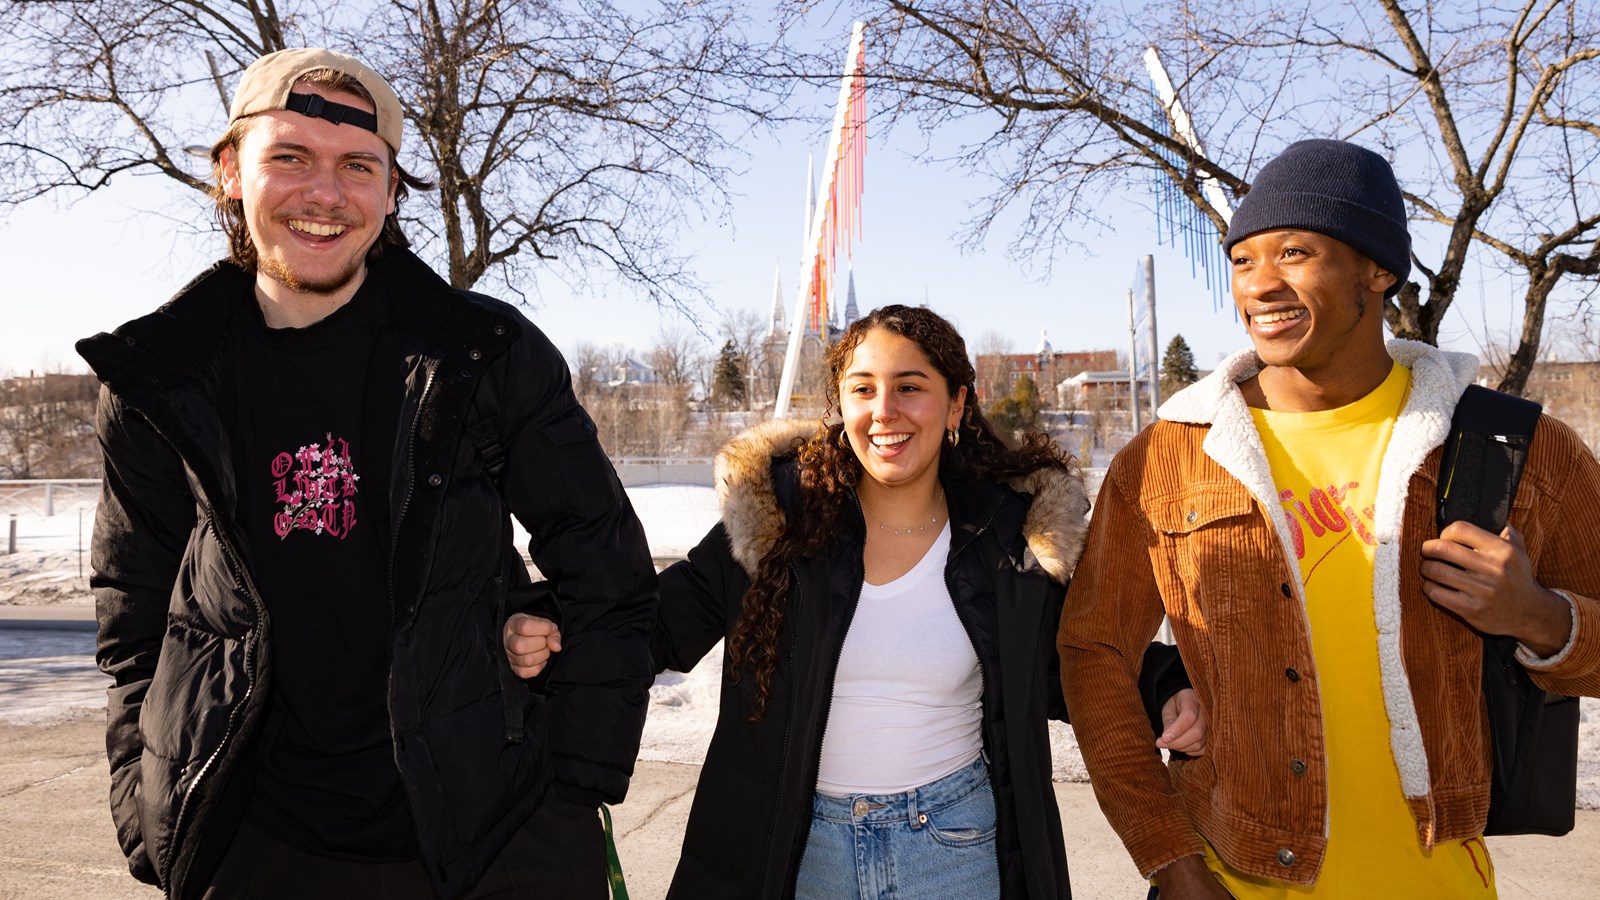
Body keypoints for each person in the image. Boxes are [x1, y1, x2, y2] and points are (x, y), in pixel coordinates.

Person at [76, 48, 657, 900]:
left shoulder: (480, 354)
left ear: (390, 193)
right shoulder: (160, 378)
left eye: (358, 166)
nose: (325, 193)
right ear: (231, 173)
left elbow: (605, 567)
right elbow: (134, 611)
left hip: (480, 837)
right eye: (290, 158)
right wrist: (146, 803)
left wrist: (573, 782)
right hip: (253, 842)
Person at [1057, 139, 1600, 899]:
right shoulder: (1168, 457)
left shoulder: (1515, 449)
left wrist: (1539, 617)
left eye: (1295, 252)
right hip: (1228, 875)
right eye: (1242, 260)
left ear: (1376, 272)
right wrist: (1170, 858)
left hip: (1436, 881)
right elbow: (1093, 654)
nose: (1260, 284)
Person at [510, 304, 1201, 898]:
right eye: (863, 388)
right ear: (840, 404)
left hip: (954, 849)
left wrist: (1167, 686)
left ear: (957, 402)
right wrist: (550, 622)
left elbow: (1074, 659)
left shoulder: (1009, 537)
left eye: (911, 387)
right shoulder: (775, 520)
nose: (885, 411)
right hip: (793, 847)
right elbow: (655, 622)